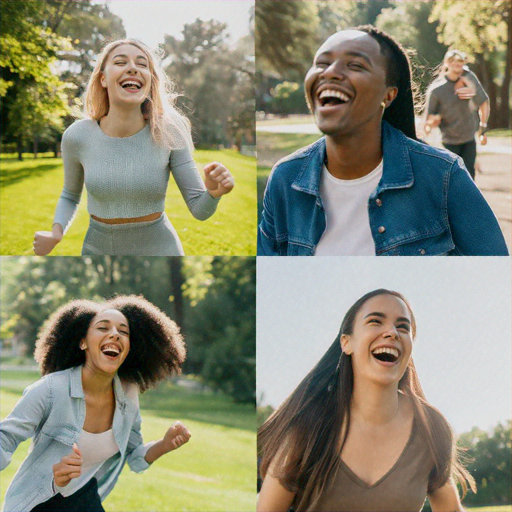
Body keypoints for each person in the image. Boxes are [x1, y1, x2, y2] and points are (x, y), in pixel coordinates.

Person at [257, 26, 508, 256]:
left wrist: (482, 127)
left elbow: (496, 277)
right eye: (321, 63)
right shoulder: (285, 179)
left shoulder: (443, 175)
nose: (330, 72)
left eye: (354, 65)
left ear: (389, 95)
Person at [257, 289, 476, 512]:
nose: (392, 332)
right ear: (346, 343)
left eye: (403, 327)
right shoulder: (307, 425)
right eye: (375, 321)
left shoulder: (431, 428)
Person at [33, 39, 235, 257]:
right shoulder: (77, 136)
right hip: (96, 249)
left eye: (142, 64)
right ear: (102, 78)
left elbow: (200, 209)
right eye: (120, 62)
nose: (132, 68)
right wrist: (56, 232)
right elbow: (70, 195)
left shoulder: (170, 131)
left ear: (150, 81)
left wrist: (215, 192)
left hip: (162, 250)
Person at [1, 295, 190, 512]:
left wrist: (164, 445)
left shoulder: (128, 395)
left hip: (84, 498)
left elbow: (135, 456)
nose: (115, 334)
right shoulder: (51, 390)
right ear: (82, 342)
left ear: (129, 348)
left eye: (124, 331)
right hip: (37, 501)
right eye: (103, 327)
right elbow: (5, 439)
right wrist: (55, 474)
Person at [424, 49, 489, 181]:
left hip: (469, 138)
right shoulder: (437, 90)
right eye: (454, 62)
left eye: (461, 62)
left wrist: (483, 128)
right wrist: (432, 123)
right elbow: (429, 118)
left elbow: (484, 102)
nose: (458, 65)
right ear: (447, 63)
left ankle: (469, 201)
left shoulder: (469, 79)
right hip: (449, 141)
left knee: (470, 176)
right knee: (451, 178)